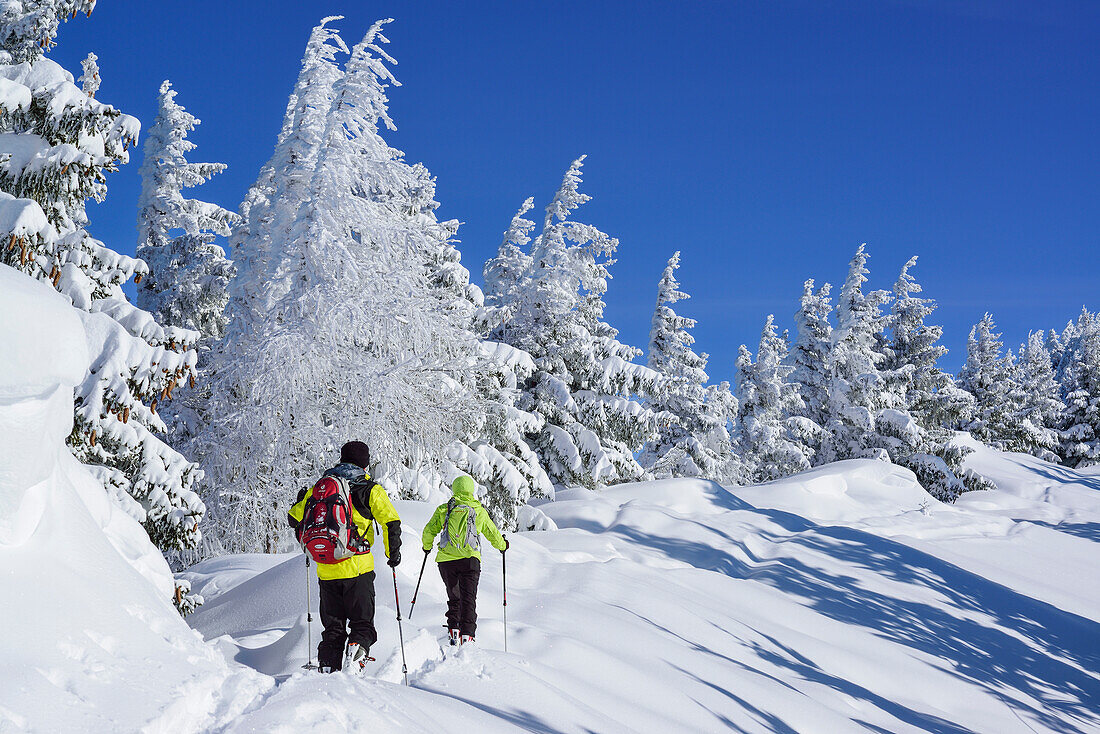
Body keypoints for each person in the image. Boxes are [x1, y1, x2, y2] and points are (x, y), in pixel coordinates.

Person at [288, 440, 401, 672]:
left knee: (333, 629)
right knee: (362, 624)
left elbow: (293, 518)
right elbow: (391, 522)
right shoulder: (370, 489)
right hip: (357, 568)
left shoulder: (322, 486)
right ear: (365, 463)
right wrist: (393, 555)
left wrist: (302, 500)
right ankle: (356, 657)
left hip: (326, 569)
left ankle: (328, 668)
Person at [421, 475, 507, 646]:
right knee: (469, 598)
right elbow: (492, 532)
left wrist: (427, 546)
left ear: (455, 489)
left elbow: (429, 530)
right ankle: (467, 636)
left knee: (454, 597)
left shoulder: (445, 509)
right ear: (471, 490)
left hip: (446, 561)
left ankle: (454, 630)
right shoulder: (478, 510)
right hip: (470, 561)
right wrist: (503, 546)